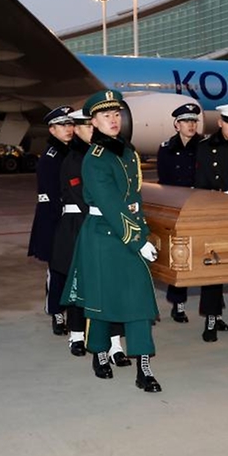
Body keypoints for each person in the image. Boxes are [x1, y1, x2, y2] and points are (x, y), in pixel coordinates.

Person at [64, 90, 162, 392]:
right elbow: (110, 205)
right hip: (103, 236)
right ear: (93, 121)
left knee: (140, 302)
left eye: (116, 114)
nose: (113, 120)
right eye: (106, 115)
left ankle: (143, 367)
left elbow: (134, 200)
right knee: (102, 301)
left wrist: (143, 232)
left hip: (130, 232)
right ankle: (101, 354)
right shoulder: (94, 160)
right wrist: (138, 241)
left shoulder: (129, 153)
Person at [55, 111, 130, 366]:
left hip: (107, 225)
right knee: (80, 284)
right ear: (77, 130)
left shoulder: (110, 154)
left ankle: (115, 342)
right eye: (87, 126)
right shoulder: (74, 159)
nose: (92, 130)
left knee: (112, 286)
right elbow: (81, 197)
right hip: (81, 226)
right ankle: (77, 334)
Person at [191, 103, 228, 340]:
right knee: (212, 268)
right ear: (220, 123)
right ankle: (212, 318)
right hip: (215, 212)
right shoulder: (205, 147)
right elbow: (200, 182)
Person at [27, 107, 75, 334]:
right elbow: (50, 196)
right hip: (55, 222)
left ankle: (74, 311)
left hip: (72, 220)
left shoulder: (73, 152)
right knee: (56, 271)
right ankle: (56, 313)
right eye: (63, 125)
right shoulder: (50, 157)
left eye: (70, 124)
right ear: (52, 129)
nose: (68, 129)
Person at [158, 103, 203, 324]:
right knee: (179, 257)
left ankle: (211, 309)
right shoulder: (165, 148)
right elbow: (163, 181)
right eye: (186, 121)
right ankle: (178, 303)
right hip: (177, 208)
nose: (191, 125)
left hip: (200, 206)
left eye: (194, 121)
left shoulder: (204, 146)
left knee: (204, 255)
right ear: (177, 125)